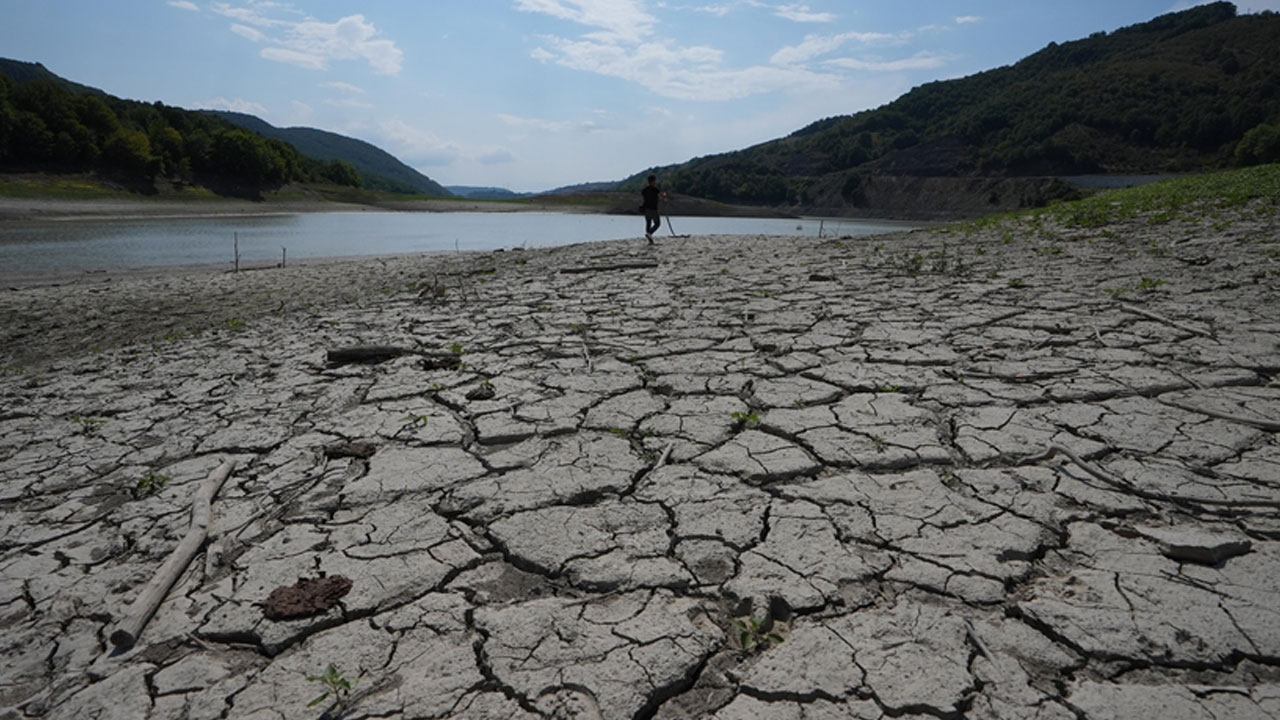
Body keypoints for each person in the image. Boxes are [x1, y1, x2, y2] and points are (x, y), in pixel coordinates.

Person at [640, 174, 666, 243]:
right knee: (657, 223)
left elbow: (643, 198)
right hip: (653, 209)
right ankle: (649, 234)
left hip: (646, 208)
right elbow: (661, 196)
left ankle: (649, 238)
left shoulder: (644, 190)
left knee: (648, 223)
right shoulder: (655, 189)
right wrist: (664, 195)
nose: (655, 182)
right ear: (653, 181)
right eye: (654, 181)